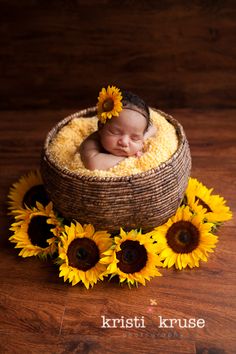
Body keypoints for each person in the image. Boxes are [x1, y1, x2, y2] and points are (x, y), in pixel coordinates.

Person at [79, 87, 157, 171]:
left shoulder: (140, 136)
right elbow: (93, 163)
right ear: (101, 127)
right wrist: (130, 159)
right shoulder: (92, 142)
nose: (124, 142)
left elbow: (153, 128)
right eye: (115, 132)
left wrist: (141, 140)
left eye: (134, 138)